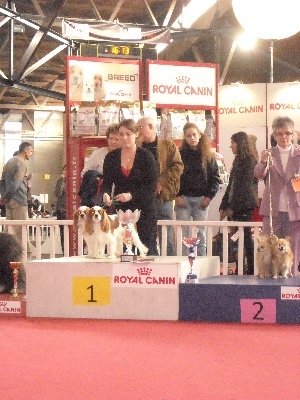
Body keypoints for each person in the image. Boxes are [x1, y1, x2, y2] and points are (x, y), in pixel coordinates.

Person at [102, 119, 158, 256]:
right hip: (122, 210)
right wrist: (106, 194)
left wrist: (132, 195)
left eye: (128, 134)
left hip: (145, 209)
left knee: (145, 246)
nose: (124, 138)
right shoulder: (111, 157)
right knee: (123, 246)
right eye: (121, 134)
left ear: (136, 134)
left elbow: (151, 186)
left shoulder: (147, 157)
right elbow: (107, 182)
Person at [254, 116, 300, 277]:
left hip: (294, 211)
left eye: (287, 133)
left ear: (293, 134)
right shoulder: (269, 154)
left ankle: (291, 284)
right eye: (279, 134)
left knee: (292, 251)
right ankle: (267, 280)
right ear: (274, 135)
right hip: (272, 211)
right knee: (268, 250)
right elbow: (259, 174)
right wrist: (262, 161)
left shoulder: (299, 154)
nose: (284, 137)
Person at [137, 116, 183, 256]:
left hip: (164, 198)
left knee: (166, 236)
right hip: (144, 199)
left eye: (140, 128)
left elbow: (178, 166)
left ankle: (171, 267)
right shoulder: (136, 148)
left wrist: (161, 182)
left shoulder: (167, 145)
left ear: (150, 127)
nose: (138, 132)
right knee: (146, 236)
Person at [175, 123, 221, 256]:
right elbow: (174, 177)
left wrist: (209, 197)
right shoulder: (179, 154)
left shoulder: (208, 155)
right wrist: (177, 196)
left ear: (199, 135)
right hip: (183, 199)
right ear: (185, 138)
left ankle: (201, 264)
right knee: (182, 233)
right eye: (188, 136)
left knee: (201, 233)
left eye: (194, 135)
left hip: (202, 200)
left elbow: (215, 178)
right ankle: (183, 263)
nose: (192, 138)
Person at [219, 131, 258, 275]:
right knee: (237, 238)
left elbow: (244, 187)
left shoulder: (249, 161)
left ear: (239, 143)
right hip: (235, 206)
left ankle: (251, 268)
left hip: (244, 206)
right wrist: (224, 205)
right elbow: (231, 186)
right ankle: (241, 267)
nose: (230, 146)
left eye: (232, 143)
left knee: (245, 238)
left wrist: (233, 208)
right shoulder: (237, 161)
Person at [1, 142, 33, 247]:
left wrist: (4, 197)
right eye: (31, 151)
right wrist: (8, 195)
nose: (31, 154)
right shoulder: (22, 163)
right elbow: (17, 183)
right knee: (21, 230)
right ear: (25, 151)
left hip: (8, 201)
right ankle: (25, 255)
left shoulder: (9, 161)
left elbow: (2, 181)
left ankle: (4, 252)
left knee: (8, 230)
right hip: (19, 200)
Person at [55, 165, 66, 254]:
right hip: (62, 210)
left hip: (73, 210)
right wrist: (62, 180)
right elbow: (58, 193)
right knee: (63, 233)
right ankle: (65, 252)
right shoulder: (61, 181)